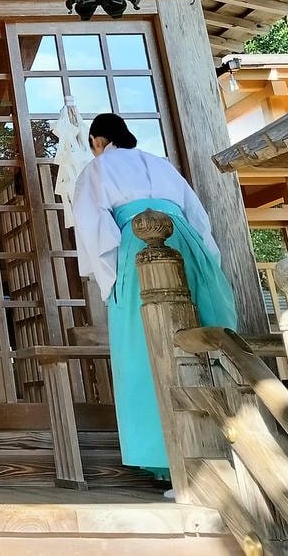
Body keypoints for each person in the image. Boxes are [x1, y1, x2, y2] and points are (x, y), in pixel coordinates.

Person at [72, 112, 238, 483]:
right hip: (188, 244)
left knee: (145, 346)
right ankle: (227, 441)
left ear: (98, 141)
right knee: (206, 331)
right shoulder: (162, 165)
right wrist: (207, 261)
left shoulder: (98, 169)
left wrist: (111, 280)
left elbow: (94, 229)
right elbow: (198, 219)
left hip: (136, 248)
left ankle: (167, 457)